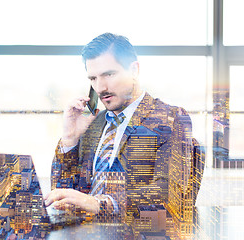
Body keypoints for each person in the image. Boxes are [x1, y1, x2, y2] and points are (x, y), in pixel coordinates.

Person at [44, 33, 203, 222]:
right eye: (93, 78)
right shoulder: (93, 123)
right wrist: (70, 138)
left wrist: (99, 204)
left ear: (134, 70)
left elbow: (168, 194)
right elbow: (61, 193)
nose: (100, 88)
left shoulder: (170, 119)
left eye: (109, 74)